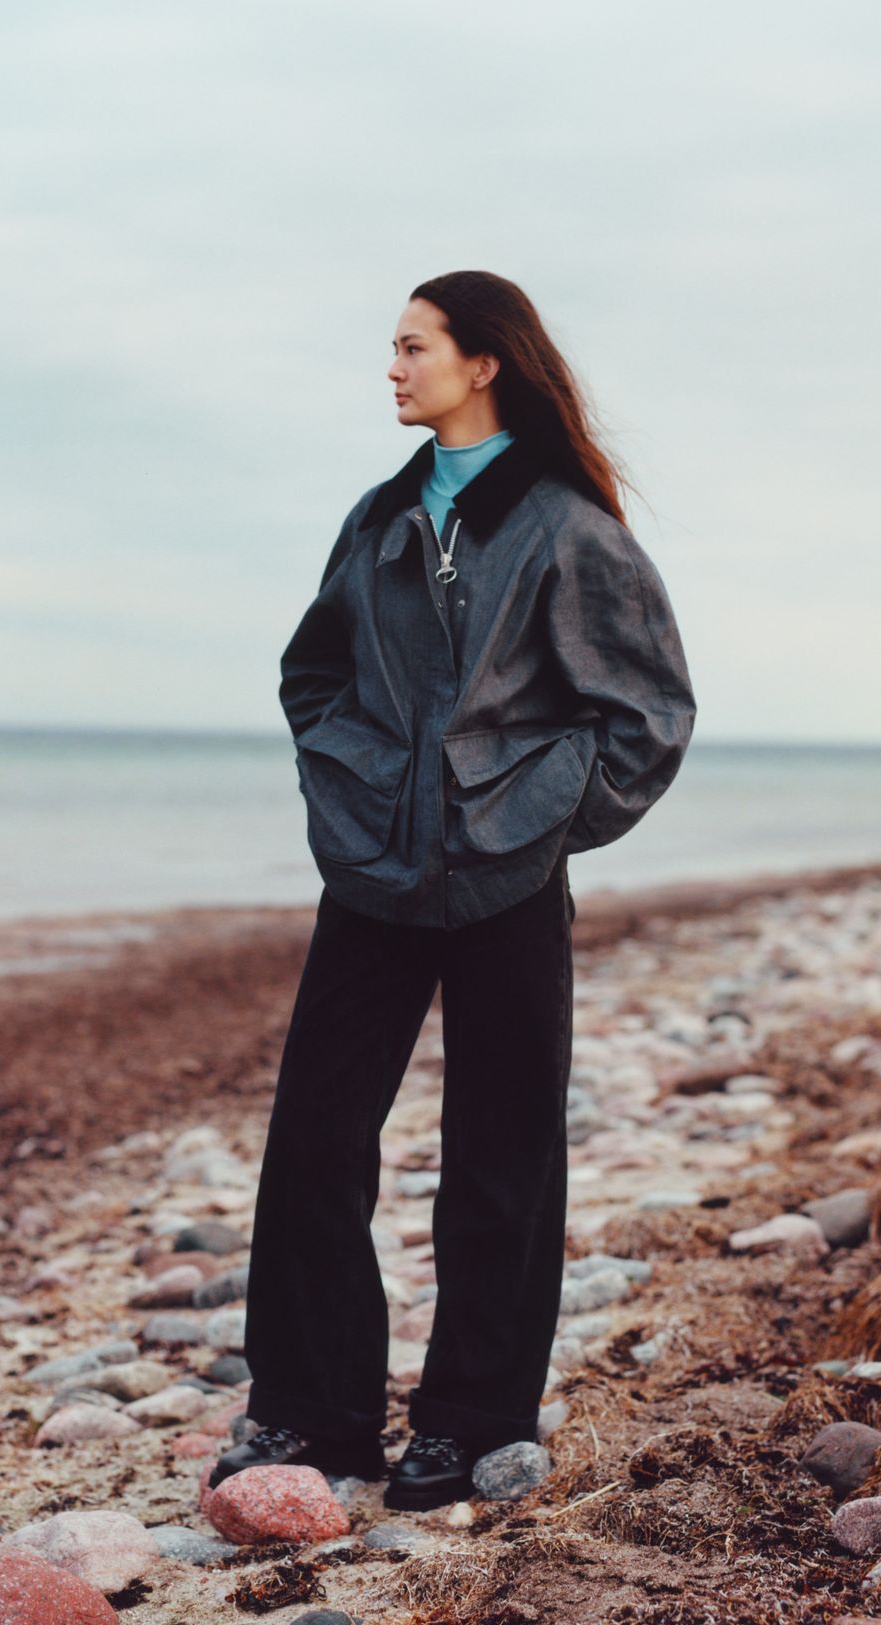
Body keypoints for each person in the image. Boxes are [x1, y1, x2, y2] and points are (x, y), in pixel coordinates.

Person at [205, 270, 697, 1512]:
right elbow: (311, 673)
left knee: (502, 1152)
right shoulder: (377, 518)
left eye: (412, 345)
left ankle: (471, 1422)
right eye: (393, 346)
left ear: (482, 362)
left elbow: (645, 715)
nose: (392, 365)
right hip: (370, 868)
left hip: (507, 878)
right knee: (315, 1142)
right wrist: (349, 781)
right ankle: (310, 1417)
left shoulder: (567, 527)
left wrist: (538, 820)